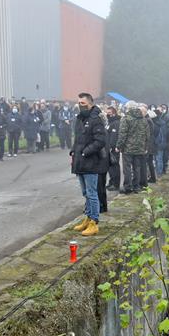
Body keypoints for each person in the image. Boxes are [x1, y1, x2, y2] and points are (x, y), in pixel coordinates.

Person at [70, 92, 106, 237]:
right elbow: (78, 138)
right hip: (79, 161)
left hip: (91, 161)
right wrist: (73, 151)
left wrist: (85, 152)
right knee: (85, 192)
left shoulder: (96, 119)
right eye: (79, 103)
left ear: (90, 104)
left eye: (83, 103)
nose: (80, 105)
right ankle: (88, 217)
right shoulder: (79, 119)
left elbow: (100, 141)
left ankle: (94, 222)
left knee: (92, 193)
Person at [117, 101, 149, 193]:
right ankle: (136, 186)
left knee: (127, 168)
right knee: (137, 168)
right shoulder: (143, 119)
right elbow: (147, 135)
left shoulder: (126, 119)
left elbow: (122, 134)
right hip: (140, 148)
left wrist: (119, 146)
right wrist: (145, 147)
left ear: (128, 108)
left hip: (128, 148)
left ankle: (127, 187)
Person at [106, 106, 121, 190]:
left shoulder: (116, 122)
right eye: (107, 113)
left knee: (114, 166)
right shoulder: (110, 122)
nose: (108, 115)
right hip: (108, 147)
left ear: (114, 113)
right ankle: (111, 182)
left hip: (113, 148)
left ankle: (115, 184)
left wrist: (111, 146)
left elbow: (114, 136)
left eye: (109, 113)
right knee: (110, 167)